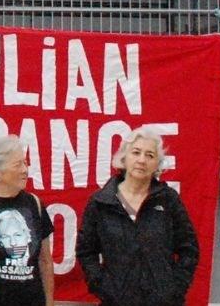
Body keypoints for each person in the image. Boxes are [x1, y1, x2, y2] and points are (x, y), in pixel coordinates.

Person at [75, 127, 199, 306]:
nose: (142, 160)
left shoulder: (168, 199)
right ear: (124, 158)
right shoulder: (101, 202)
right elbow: (86, 251)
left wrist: (174, 288)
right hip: (116, 301)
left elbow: (189, 249)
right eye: (136, 152)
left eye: (150, 155)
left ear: (157, 164)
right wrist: (102, 286)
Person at [0, 135, 53, 306]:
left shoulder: (34, 204)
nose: (24, 170)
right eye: (17, 164)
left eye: (25, 163)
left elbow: (45, 261)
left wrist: (49, 302)